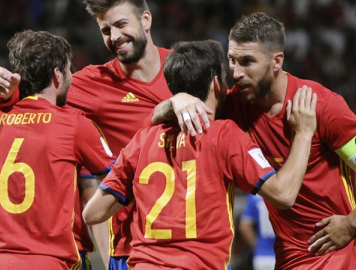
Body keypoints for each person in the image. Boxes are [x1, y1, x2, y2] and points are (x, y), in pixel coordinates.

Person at [0, 1, 211, 269]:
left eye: (121, 24)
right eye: (105, 30)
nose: (114, 37)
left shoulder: (187, 70)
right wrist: (8, 95)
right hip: (133, 246)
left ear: (146, 20)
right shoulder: (92, 83)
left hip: (199, 240)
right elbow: (34, 106)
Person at [153, 12, 356, 269]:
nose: (236, 73)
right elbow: (156, 119)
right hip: (287, 258)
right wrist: (175, 101)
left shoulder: (322, 106)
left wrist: (351, 223)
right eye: (232, 60)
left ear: (276, 61)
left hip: (337, 254)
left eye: (247, 61)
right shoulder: (235, 106)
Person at [83, 39, 317, 269]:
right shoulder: (223, 135)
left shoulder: (142, 141)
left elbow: (92, 213)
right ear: (217, 84)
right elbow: (284, 195)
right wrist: (304, 133)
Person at [0, 30, 116, 270]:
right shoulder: (74, 125)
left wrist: (1, 239)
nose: (72, 77)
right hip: (48, 262)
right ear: (57, 75)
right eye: (69, 70)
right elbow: (118, 182)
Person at [239, 194, 276, 270]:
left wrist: (257, 246)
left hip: (262, 256)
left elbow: (245, 226)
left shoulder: (254, 197)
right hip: (283, 254)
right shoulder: (284, 194)